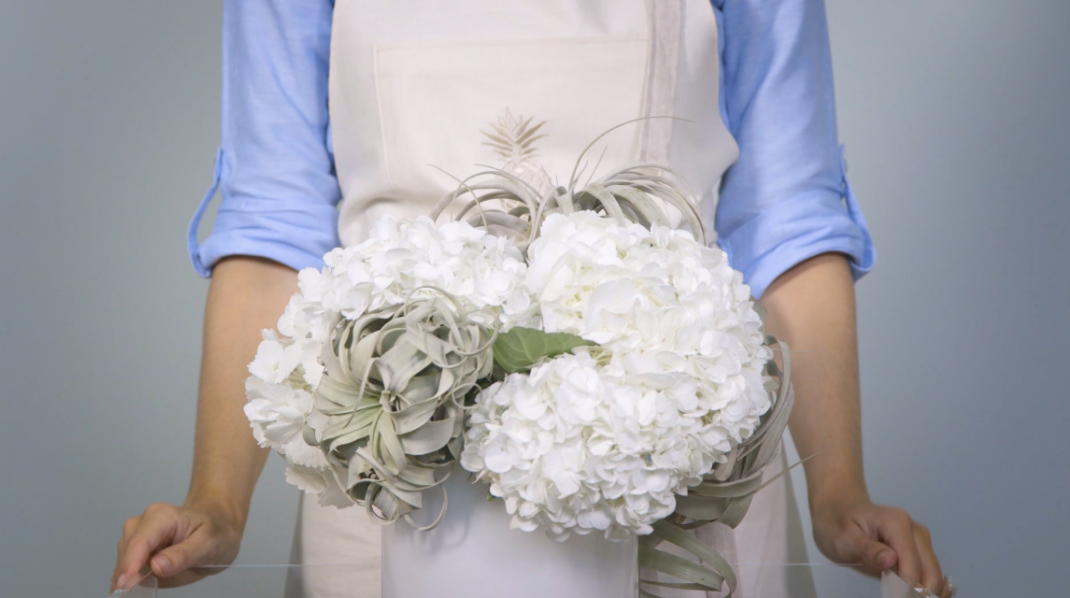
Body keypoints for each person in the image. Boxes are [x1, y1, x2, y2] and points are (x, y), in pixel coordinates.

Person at [111, 1, 952, 596]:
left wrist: (840, 490)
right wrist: (216, 502)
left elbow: (787, 223)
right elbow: (273, 229)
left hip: (686, 472)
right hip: (393, 477)